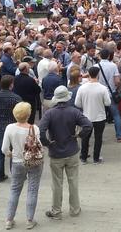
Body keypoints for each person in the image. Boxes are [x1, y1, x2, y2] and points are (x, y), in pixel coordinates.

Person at [39, 86, 92, 220]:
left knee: (57, 183)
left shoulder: (49, 113)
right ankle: (75, 209)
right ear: (67, 98)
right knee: (73, 181)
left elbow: (40, 131)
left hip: (56, 153)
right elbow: (88, 125)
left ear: (56, 99)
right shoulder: (74, 112)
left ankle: (56, 211)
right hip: (72, 151)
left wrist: (46, 143)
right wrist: (79, 135)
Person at [2, 102, 43, 230]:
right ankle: (30, 220)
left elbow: (4, 149)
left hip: (17, 162)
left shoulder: (9, 128)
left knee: (14, 190)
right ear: (29, 114)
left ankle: (9, 219)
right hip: (33, 162)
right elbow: (38, 145)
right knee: (32, 189)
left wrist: (11, 154)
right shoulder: (34, 128)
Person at [0, 75, 23, 182]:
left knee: (0, 152)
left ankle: (0, 175)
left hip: (0, 126)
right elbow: (20, 113)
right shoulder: (16, 98)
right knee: (14, 151)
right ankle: (15, 174)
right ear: (11, 84)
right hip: (13, 127)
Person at [74, 66, 111, 164]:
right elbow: (108, 103)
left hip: (86, 116)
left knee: (85, 137)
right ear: (98, 75)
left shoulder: (82, 88)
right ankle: (96, 158)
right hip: (100, 116)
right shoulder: (103, 88)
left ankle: (83, 157)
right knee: (98, 138)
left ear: (88, 74)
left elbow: (77, 103)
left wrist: (84, 105)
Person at [96, 49, 121, 142]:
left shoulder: (96, 66)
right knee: (116, 115)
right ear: (108, 56)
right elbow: (117, 81)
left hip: (100, 93)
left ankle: (98, 137)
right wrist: (116, 88)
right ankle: (119, 136)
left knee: (100, 116)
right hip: (111, 93)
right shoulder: (113, 66)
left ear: (100, 56)